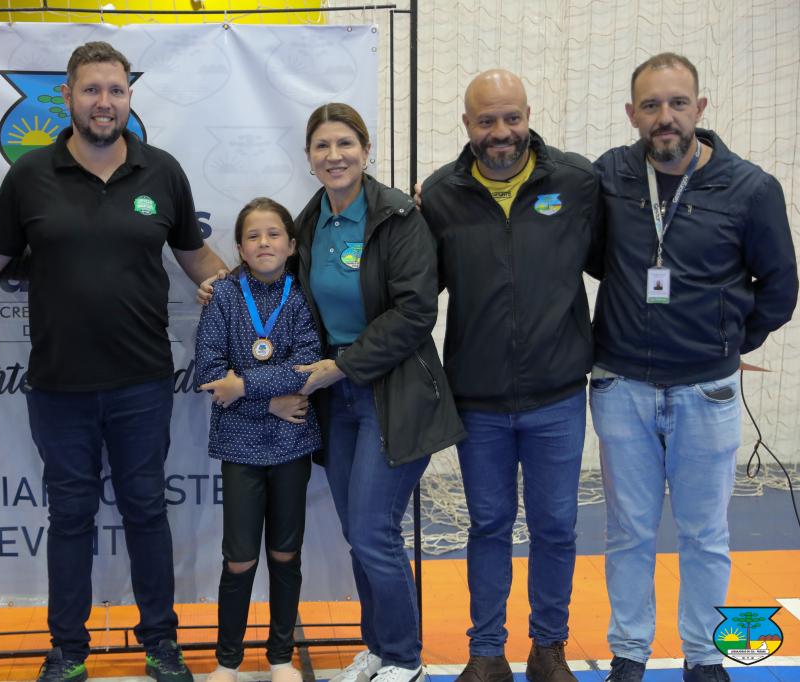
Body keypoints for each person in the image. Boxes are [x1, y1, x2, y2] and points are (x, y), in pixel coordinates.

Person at [0, 42, 228, 682]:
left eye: (115, 90)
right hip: (58, 387)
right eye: (91, 90)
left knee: (146, 512)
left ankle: (161, 643)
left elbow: (196, 258)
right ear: (67, 96)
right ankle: (67, 651)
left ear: (129, 97)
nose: (103, 102)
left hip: (142, 383)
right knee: (69, 519)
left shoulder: (162, 171)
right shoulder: (29, 174)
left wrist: (249, 299)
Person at [591, 53, 797, 682]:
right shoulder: (608, 176)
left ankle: (705, 657)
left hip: (708, 392)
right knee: (628, 530)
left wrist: (726, 339)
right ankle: (629, 652)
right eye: (651, 105)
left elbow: (780, 288)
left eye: (678, 103)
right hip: (621, 386)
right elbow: (591, 255)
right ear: (632, 114)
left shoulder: (751, 188)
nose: (666, 117)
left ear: (700, 109)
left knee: (705, 532)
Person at [419, 70, 603, 682]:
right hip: (478, 401)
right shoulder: (439, 197)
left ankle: (548, 648)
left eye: (511, 118)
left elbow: (622, 264)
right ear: (466, 125)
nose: (501, 132)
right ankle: (487, 652)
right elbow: (415, 291)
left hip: (558, 397)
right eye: (486, 121)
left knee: (556, 528)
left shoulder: (576, 183)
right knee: (489, 526)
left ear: (528, 115)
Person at [294, 103, 464, 682]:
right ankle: (378, 647)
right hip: (336, 399)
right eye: (322, 146)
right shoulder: (308, 223)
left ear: (366, 151)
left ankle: (404, 659)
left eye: (345, 143)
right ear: (309, 158)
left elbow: (416, 312)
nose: (334, 155)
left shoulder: (399, 217)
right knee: (358, 534)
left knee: (373, 532)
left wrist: (343, 365)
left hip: (395, 394)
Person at [194, 197, 322, 682]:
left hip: (292, 440)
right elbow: (210, 374)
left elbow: (307, 369)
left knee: (285, 553)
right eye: (253, 236)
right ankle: (227, 661)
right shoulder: (224, 296)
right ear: (240, 248)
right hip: (240, 445)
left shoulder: (303, 296)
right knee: (240, 556)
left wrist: (243, 385)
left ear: (291, 245)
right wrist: (268, 401)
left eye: (273, 234)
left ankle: (281, 657)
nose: (263, 243)